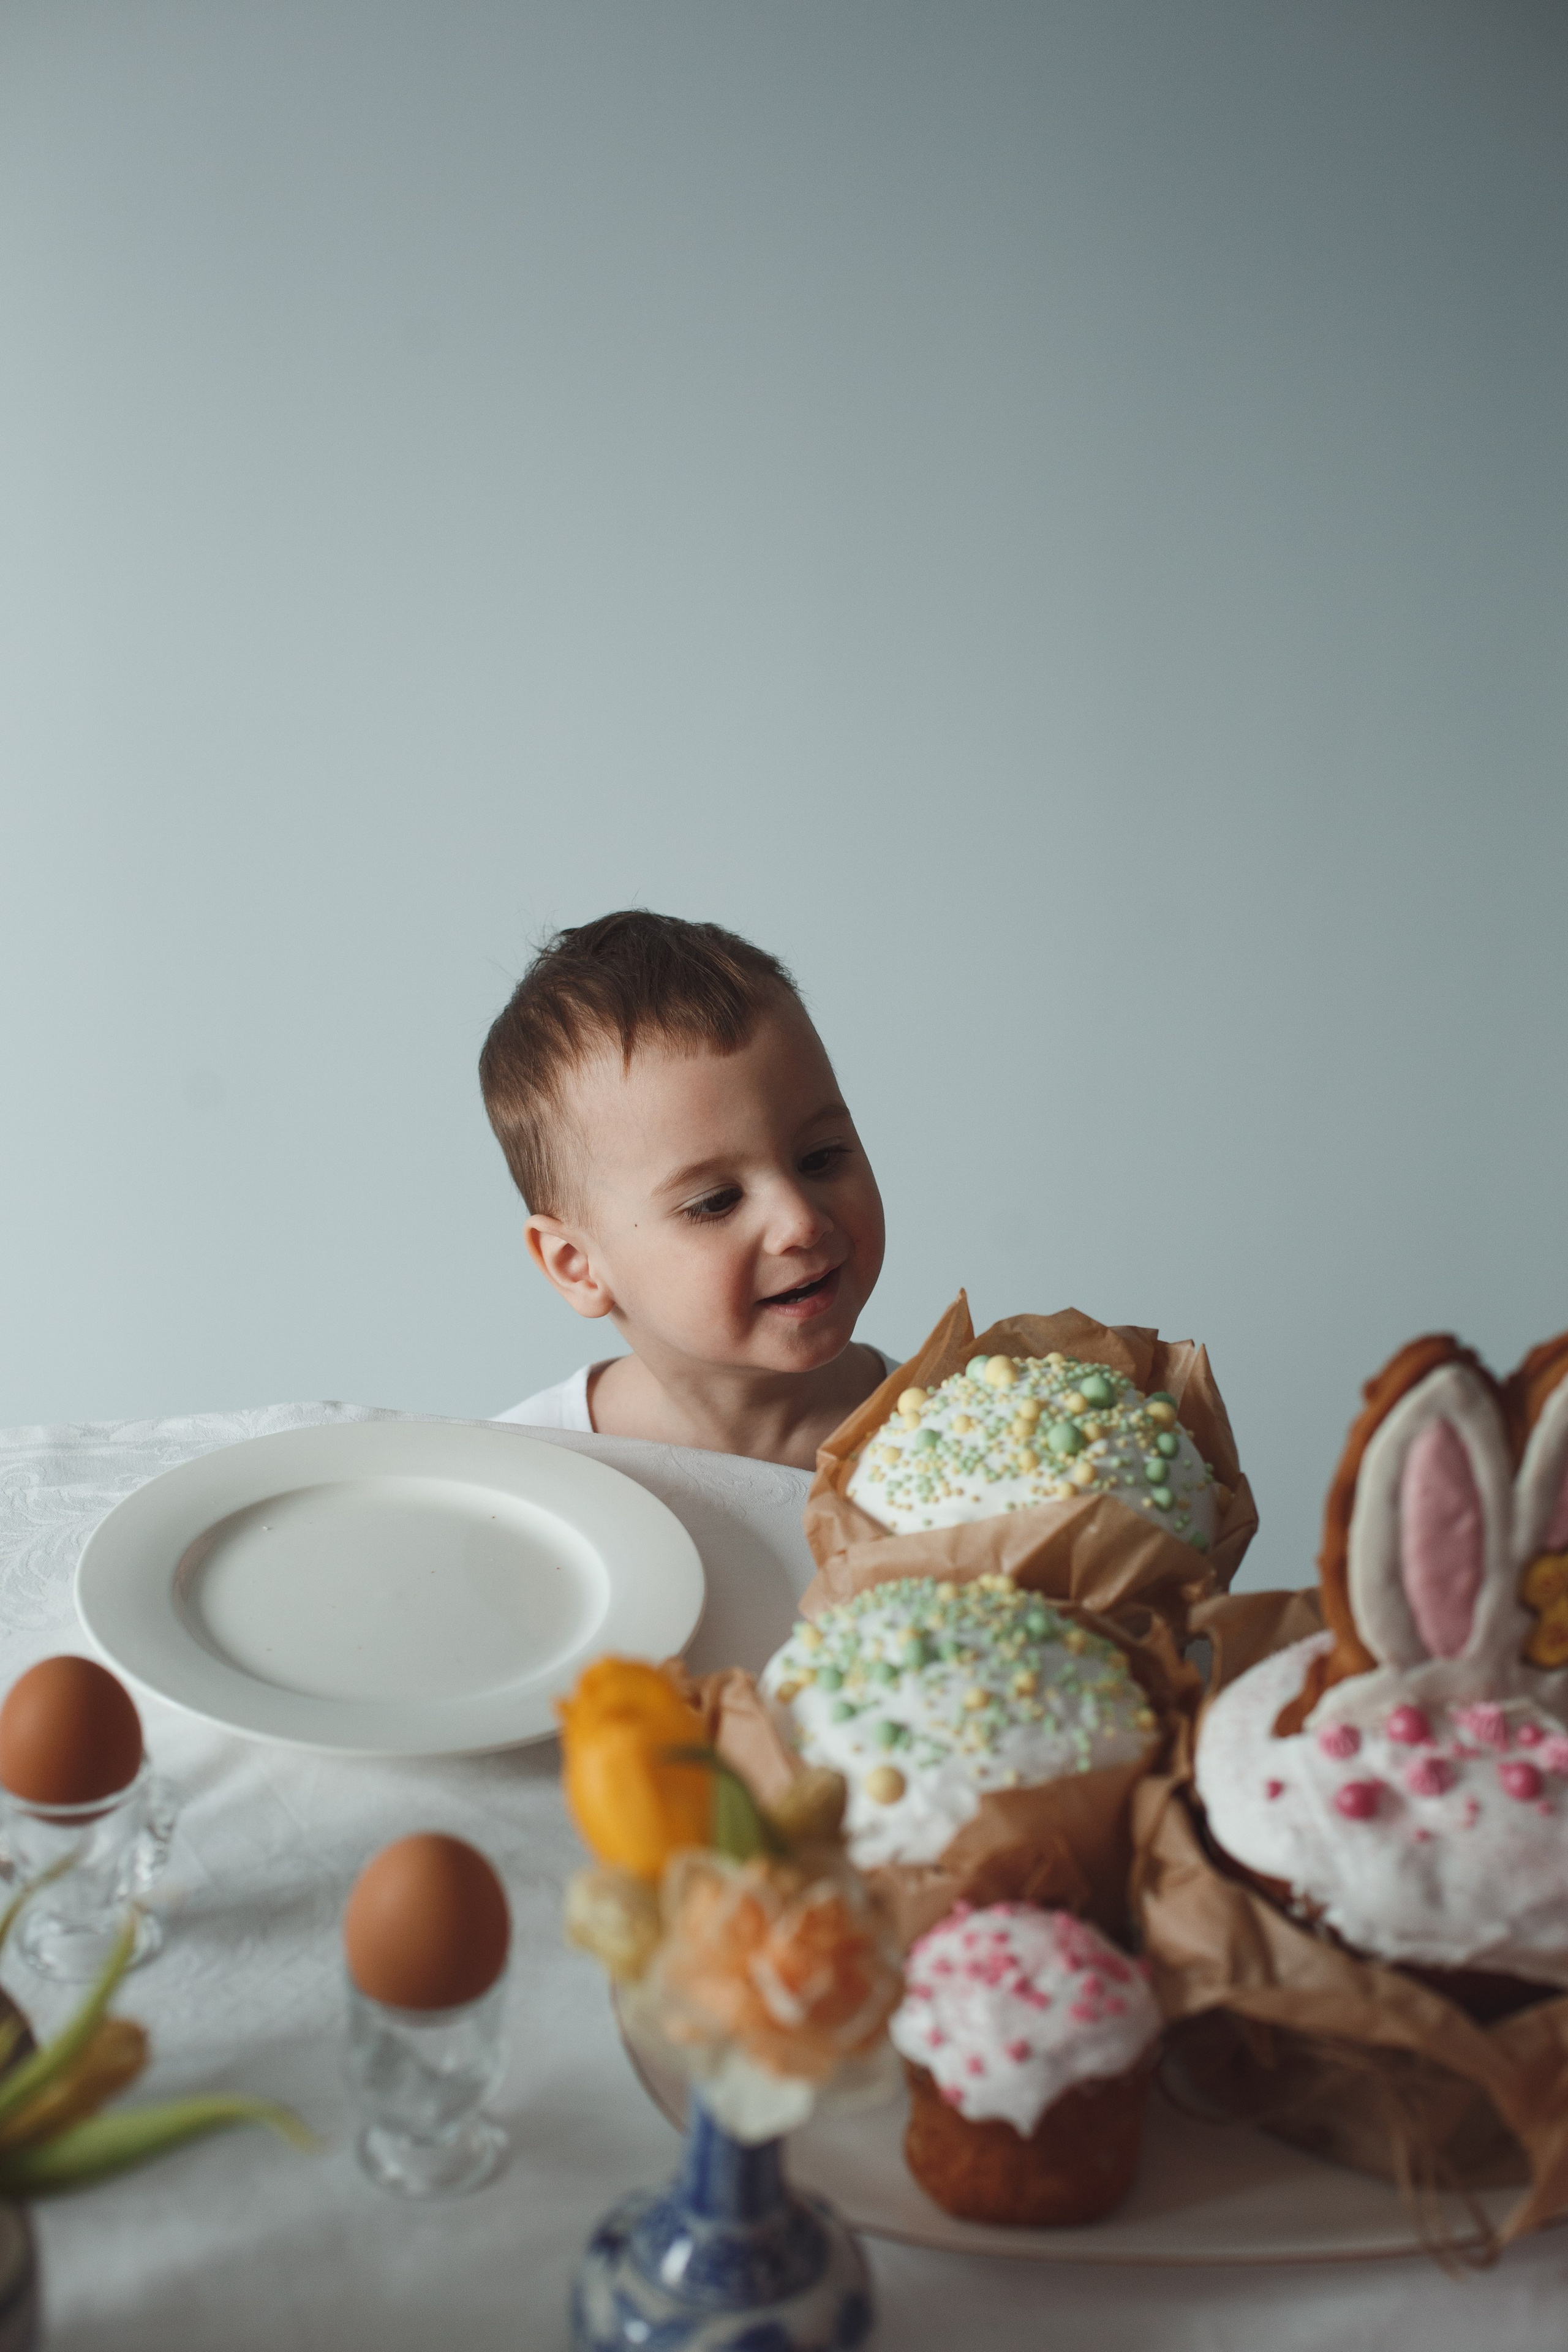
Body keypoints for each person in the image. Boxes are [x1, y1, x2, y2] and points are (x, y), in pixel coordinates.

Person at [478, 910, 891, 1468]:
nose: (800, 1221)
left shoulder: (979, 1432)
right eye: (716, 1202)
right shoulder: (520, 1474)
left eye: (820, 1158)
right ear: (577, 1264)